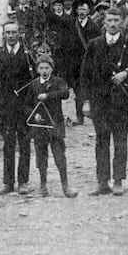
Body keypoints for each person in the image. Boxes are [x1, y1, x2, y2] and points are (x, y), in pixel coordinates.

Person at [80, 7, 128, 197]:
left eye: (117, 20)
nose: (114, 24)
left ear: (121, 22)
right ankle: (102, 181)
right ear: (104, 22)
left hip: (121, 102)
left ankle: (118, 180)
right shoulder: (94, 44)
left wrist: (127, 75)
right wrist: (85, 101)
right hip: (99, 101)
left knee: (120, 141)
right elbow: (84, 75)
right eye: (110, 20)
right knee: (101, 141)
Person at [0, 21, 36, 194]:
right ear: (3, 35)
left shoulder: (28, 56)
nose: (11, 35)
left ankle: (23, 181)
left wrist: (33, 107)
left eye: (14, 32)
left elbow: (36, 83)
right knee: (8, 145)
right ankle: (8, 182)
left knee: (24, 144)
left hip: (24, 107)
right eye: (8, 33)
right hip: (5, 107)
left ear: (19, 34)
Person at [28, 54, 77, 198]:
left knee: (59, 156)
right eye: (41, 68)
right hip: (39, 125)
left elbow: (65, 94)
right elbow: (26, 104)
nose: (44, 71)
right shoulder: (34, 84)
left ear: (52, 68)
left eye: (47, 68)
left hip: (55, 123)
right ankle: (43, 186)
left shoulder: (58, 82)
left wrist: (48, 96)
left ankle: (65, 186)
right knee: (41, 157)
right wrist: (33, 113)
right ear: (37, 69)